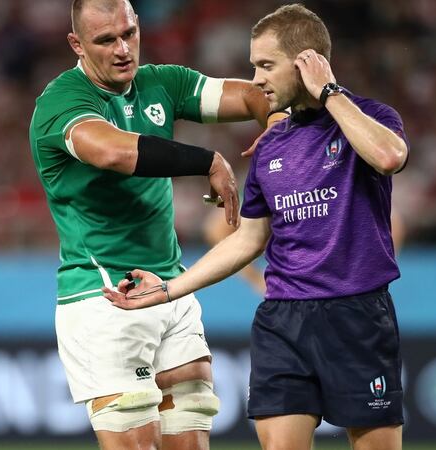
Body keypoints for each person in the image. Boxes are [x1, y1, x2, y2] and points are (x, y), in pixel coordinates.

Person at [103, 5, 409, 450]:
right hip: (283, 319)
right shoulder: (271, 149)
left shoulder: (369, 116)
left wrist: (329, 92)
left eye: (266, 65)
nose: (256, 78)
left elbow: (389, 157)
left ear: (307, 62)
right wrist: (169, 288)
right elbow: (248, 239)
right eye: (253, 66)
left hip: (357, 316)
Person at [27, 0, 279, 448]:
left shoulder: (161, 82)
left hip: (171, 286)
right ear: (77, 44)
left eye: (128, 33)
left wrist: (278, 124)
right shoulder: (63, 102)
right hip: (103, 296)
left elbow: (254, 95)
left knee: (193, 422)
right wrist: (209, 160)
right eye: (105, 40)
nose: (123, 49)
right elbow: (114, 152)